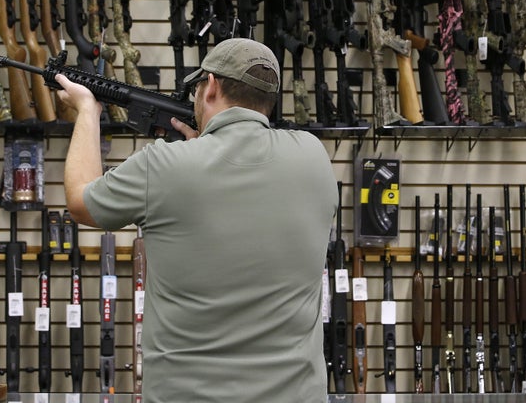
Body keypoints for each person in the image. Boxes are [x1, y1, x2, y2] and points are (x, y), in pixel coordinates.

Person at [56, 38, 338, 402]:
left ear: (212, 86)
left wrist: (88, 112)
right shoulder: (313, 158)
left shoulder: (163, 166)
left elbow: (80, 201)